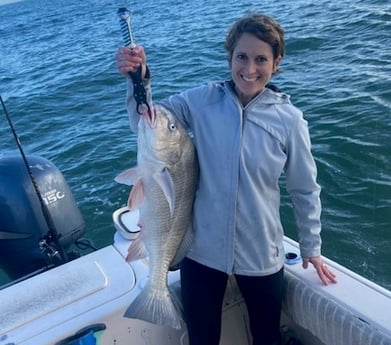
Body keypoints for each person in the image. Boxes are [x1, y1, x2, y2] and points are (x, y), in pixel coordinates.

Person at [116, 13, 337, 345]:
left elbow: (304, 189)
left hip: (262, 253)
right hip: (201, 250)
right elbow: (148, 119)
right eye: (241, 57)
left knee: (266, 337)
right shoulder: (202, 100)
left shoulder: (290, 121)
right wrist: (139, 77)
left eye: (261, 59)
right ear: (230, 57)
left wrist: (312, 246)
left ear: (276, 63)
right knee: (202, 339)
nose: (249, 69)